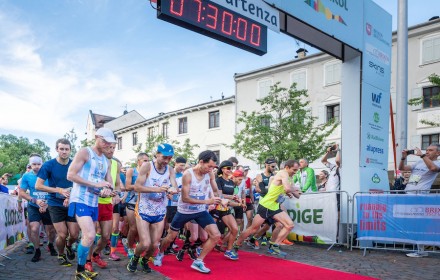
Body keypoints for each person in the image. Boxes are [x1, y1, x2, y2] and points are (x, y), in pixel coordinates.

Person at [153, 150, 222, 274]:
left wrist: (222, 199)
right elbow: (185, 198)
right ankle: (160, 252)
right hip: (184, 211)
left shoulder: (210, 174)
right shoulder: (188, 174)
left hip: (201, 211)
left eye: (213, 167)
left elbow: (216, 190)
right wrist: (207, 201)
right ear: (201, 162)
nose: (211, 169)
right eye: (209, 166)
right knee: (170, 237)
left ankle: (198, 261)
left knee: (216, 235)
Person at [67, 128, 116, 280]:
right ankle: (79, 271)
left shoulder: (106, 161)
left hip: (94, 202)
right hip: (79, 199)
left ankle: (83, 267)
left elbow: (109, 184)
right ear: (96, 137)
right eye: (104, 141)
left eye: (110, 142)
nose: (108, 144)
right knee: (89, 235)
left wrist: (107, 190)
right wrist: (96, 185)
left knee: (90, 237)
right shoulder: (85, 152)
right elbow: (70, 175)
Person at [126, 143, 177, 274]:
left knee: (155, 244)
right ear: (157, 154)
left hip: (160, 210)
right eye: (164, 157)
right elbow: (137, 187)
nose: (167, 161)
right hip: (144, 209)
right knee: (145, 243)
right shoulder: (147, 166)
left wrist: (172, 190)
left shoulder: (170, 169)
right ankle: (135, 258)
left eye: (170, 158)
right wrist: (157, 189)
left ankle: (145, 260)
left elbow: (175, 186)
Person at [235, 160, 302, 256]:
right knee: (253, 229)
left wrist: (295, 191)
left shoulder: (290, 177)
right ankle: (236, 244)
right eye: (294, 170)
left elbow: (297, 195)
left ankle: (274, 246)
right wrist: (295, 189)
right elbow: (288, 189)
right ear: (287, 167)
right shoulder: (283, 173)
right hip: (266, 205)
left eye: (297, 170)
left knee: (289, 225)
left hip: (274, 206)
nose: (295, 172)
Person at [36, 138, 79, 267]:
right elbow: (38, 185)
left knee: (75, 235)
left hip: (71, 202)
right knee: (62, 233)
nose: (64, 152)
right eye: (62, 149)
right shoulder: (49, 165)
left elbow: (78, 184)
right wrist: (58, 190)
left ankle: (69, 245)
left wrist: (69, 196)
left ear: (70, 150)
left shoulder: (75, 164)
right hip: (55, 204)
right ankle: (61, 254)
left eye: (67, 149)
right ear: (57, 149)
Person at [85, 143, 123, 272]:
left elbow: (118, 184)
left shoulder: (116, 164)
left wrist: (117, 194)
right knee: (90, 234)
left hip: (107, 203)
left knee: (106, 235)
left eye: (113, 148)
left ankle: (96, 254)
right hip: (92, 201)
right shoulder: (92, 161)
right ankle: (88, 260)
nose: (111, 150)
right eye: (109, 147)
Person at [399, 145, 440, 258]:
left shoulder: (437, 163)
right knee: (412, 223)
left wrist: (422, 156)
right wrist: (403, 158)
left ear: (438, 153)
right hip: (409, 194)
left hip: (420, 197)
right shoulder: (419, 163)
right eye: (426, 150)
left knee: (419, 223)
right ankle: (416, 247)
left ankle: (421, 250)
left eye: (430, 150)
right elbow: (402, 168)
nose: (427, 152)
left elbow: (433, 169)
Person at [18, 154, 57, 262]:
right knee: (34, 228)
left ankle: (50, 244)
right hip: (33, 205)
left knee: (51, 231)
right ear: (30, 165)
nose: (36, 166)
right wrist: (35, 200)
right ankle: (37, 251)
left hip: (48, 205)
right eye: (34, 164)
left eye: (39, 164)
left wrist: (46, 204)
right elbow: (22, 192)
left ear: (42, 164)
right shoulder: (26, 176)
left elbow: (55, 190)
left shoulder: (49, 175)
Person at [211, 160, 240, 260]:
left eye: (231, 168)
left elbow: (228, 197)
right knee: (209, 233)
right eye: (228, 168)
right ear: (222, 169)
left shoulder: (231, 182)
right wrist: (232, 197)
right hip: (215, 208)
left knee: (235, 229)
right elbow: (218, 195)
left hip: (225, 208)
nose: (230, 170)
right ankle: (199, 247)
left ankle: (228, 250)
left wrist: (235, 198)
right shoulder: (218, 180)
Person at [123, 152, 149, 258]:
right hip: (132, 202)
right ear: (139, 161)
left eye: (148, 161)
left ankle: (138, 245)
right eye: (145, 161)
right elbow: (127, 186)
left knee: (141, 228)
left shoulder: (149, 172)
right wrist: (139, 187)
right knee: (133, 228)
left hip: (144, 203)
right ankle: (129, 247)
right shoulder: (131, 171)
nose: (147, 163)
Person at [164, 156, 187, 255]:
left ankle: (168, 245)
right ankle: (166, 246)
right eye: (181, 165)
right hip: (168, 204)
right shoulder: (168, 174)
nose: (182, 167)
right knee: (169, 226)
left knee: (175, 227)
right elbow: (164, 187)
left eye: (183, 166)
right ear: (175, 163)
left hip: (179, 204)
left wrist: (180, 190)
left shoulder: (183, 175)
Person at [254, 158, 276, 246]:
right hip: (263, 200)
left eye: (275, 166)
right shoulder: (260, 175)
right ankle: (260, 237)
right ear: (267, 165)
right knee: (263, 222)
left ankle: (273, 241)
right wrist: (267, 191)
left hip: (273, 202)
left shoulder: (274, 176)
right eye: (273, 166)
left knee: (274, 221)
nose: (274, 168)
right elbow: (257, 188)